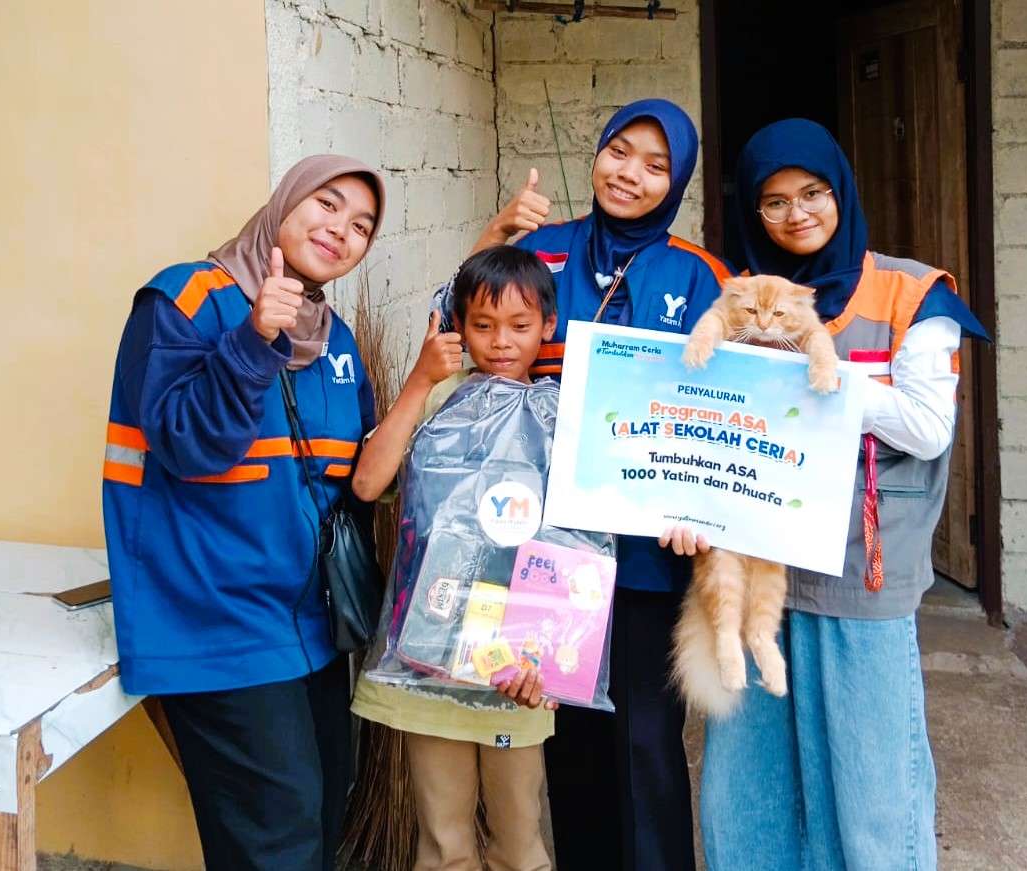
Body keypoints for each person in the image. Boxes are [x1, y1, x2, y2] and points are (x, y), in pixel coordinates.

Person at [695, 118, 989, 871]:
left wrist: (813, 379)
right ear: (751, 214)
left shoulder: (908, 291)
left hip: (862, 573)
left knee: (870, 777)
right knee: (750, 783)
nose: (797, 213)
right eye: (773, 201)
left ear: (841, 191)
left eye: (813, 192)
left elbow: (925, 426)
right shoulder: (742, 297)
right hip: (760, 559)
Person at [467, 98, 733, 871]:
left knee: (647, 744)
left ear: (677, 179)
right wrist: (493, 236)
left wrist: (700, 508)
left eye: (656, 165)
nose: (631, 174)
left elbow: (723, 416)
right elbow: (456, 324)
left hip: (651, 559)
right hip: (544, 550)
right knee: (571, 740)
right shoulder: (542, 252)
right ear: (597, 154)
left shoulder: (699, 275)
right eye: (621, 152)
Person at [102, 156, 384, 871]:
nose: (340, 230)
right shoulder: (185, 299)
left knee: (319, 824)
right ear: (285, 201)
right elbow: (186, 444)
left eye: (361, 226)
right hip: (218, 623)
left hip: (312, 629)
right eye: (327, 204)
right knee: (277, 845)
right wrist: (253, 341)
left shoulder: (336, 340)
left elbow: (345, 485)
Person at [351, 245, 559, 871]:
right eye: (482, 326)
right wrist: (420, 380)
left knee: (519, 842)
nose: (500, 342)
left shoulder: (560, 419)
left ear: (548, 326)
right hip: (428, 660)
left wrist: (549, 655)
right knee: (443, 844)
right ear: (458, 326)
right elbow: (368, 484)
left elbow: (577, 551)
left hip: (517, 673)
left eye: (520, 326)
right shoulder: (439, 408)